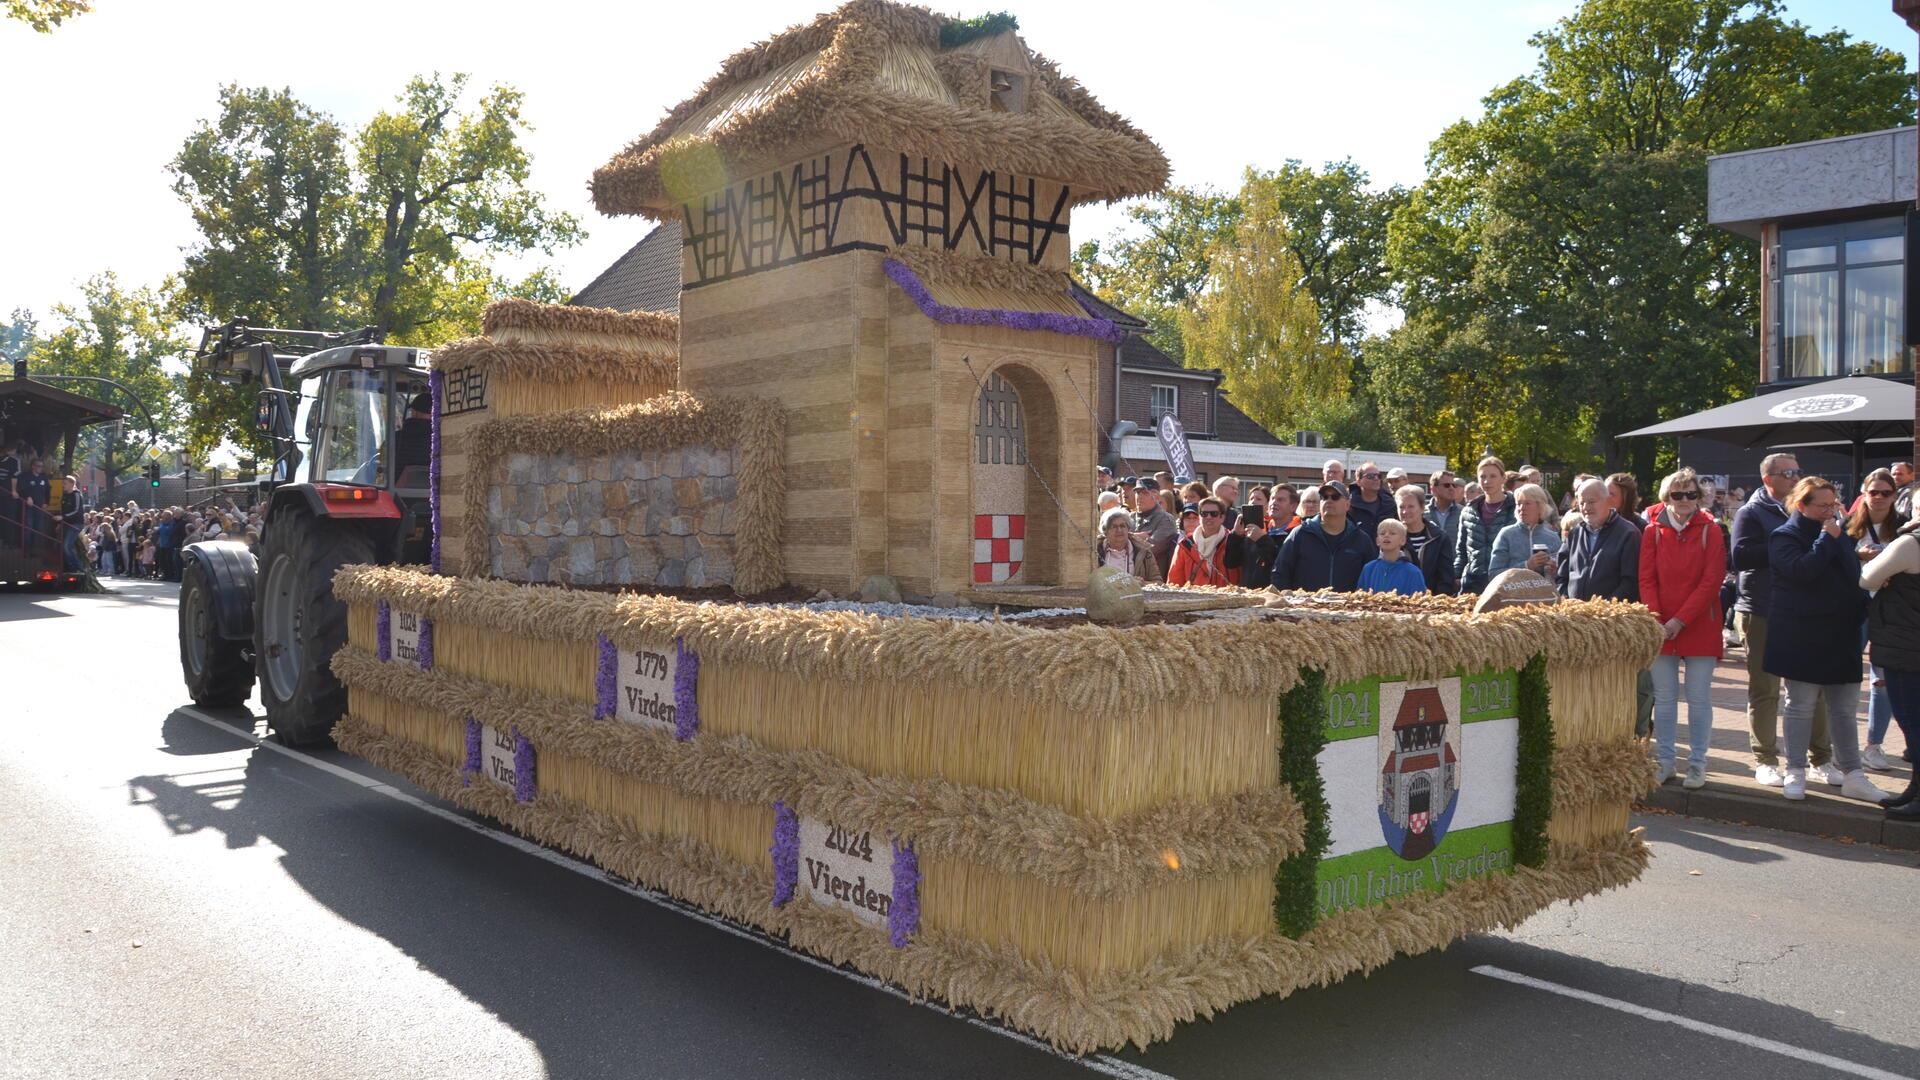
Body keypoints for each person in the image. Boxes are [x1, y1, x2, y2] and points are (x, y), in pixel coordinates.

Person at [1766, 476, 1887, 804]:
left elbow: (1853, 580)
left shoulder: (1841, 535)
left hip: (1842, 635)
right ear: (1801, 505)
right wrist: (1825, 539)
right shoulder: (1785, 536)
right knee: (1800, 706)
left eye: (1833, 504)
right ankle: (1795, 770)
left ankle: (1853, 774)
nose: (1830, 511)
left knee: (1844, 710)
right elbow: (1802, 572)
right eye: (1822, 505)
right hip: (1802, 636)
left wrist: (1863, 614)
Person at [1730, 453, 1834, 788]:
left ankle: (1821, 758)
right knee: (1765, 690)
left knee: (1810, 689)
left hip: (1802, 610)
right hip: (1761, 609)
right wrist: (1784, 545)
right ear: (1768, 478)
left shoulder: (1806, 510)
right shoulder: (1751, 511)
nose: (1794, 476)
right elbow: (1740, 556)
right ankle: (1765, 759)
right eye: (1787, 472)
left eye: (1797, 471)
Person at [1640, 468, 1725, 789]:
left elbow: (1711, 581)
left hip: (1700, 624)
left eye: (1691, 494)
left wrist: (1680, 620)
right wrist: (1658, 618)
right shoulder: (1652, 531)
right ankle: (1665, 761)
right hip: (1662, 626)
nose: (1685, 500)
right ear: (1666, 497)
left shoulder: (1711, 530)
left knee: (1699, 698)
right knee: (1664, 698)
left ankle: (1698, 763)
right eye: (1678, 495)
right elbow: (1646, 578)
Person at [1860, 520, 1920, 817]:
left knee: (1911, 721)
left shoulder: (1910, 543)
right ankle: (1915, 789)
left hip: (1905, 645)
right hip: (1908, 643)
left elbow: (1868, 578)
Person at [1848, 469, 1906, 771]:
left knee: (1881, 681)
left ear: (1895, 495)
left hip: (1889, 611)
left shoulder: (1904, 527)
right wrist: (1859, 558)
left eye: (1886, 492)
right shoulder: (1849, 526)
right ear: (1864, 493)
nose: (1880, 498)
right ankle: (1841, 744)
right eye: (1874, 492)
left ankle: (1874, 745)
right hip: (1854, 609)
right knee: (1843, 675)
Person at [1274, 481, 1376, 592]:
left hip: (1347, 607)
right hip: (1305, 607)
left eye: (1335, 497)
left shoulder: (1361, 539)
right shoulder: (1300, 534)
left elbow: (1372, 578)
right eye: (1324, 497)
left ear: (1347, 504)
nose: (1329, 500)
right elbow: (1280, 573)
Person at [1556, 477, 1639, 603]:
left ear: (1607, 501)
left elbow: (1630, 581)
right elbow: (1562, 575)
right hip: (1574, 615)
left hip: (1611, 616)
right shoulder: (1575, 533)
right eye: (1582, 502)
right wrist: (1566, 601)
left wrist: (1603, 608)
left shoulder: (1628, 533)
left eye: (1591, 502)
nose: (1586, 507)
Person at [1455, 455, 1515, 595]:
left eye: (1493, 476)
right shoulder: (1468, 511)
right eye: (1483, 477)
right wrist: (1456, 576)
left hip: (1505, 581)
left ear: (1503, 478)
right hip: (1473, 582)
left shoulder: (1515, 509)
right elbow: (1461, 550)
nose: (1487, 481)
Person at [1489, 483, 1561, 577]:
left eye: (1527, 503)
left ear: (1540, 506)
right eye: (1518, 504)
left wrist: (1555, 571)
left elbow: (1563, 577)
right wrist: (1527, 565)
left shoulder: (1553, 537)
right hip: (1513, 591)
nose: (1521, 508)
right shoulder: (1506, 534)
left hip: (1544, 591)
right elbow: (1494, 574)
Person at [1396, 484, 1455, 594]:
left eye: (1411, 506)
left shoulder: (1439, 538)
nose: (1405, 511)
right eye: (1401, 507)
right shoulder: (1392, 537)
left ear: (1422, 508)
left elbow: (1446, 577)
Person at [1169, 497, 1238, 587]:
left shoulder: (1233, 541)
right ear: (1199, 517)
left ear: (1222, 517)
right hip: (1194, 598)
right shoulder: (1185, 544)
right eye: (1204, 514)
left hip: (1227, 598)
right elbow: (1174, 581)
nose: (1208, 517)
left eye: (1214, 514)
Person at [1243, 484, 1298, 589]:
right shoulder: (1258, 528)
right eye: (1272, 499)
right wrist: (1235, 535)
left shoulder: (1299, 533)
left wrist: (1262, 540)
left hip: (1279, 598)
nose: (1274, 503)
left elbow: (1280, 565)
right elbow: (1232, 562)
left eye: (1280, 500)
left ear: (1293, 506)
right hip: (1252, 597)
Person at [1359, 518, 1426, 596]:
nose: (1386, 535)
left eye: (1392, 533)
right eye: (1382, 533)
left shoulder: (1413, 572)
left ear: (1403, 540)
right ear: (1377, 541)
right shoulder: (1369, 569)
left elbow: (1419, 603)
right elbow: (1360, 598)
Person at [1094, 506, 1163, 582]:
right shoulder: (1094, 552)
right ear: (1105, 531)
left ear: (1128, 529)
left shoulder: (1143, 551)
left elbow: (1157, 581)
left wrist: (1142, 584)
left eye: (1122, 526)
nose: (1119, 530)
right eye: (1114, 527)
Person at [1132, 477, 1178, 578]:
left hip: (1152, 579)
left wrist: (1126, 539)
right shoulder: (1128, 517)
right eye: (1137, 493)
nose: (1139, 497)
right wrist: (1134, 537)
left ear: (1156, 496)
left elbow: (1151, 549)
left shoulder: (1166, 519)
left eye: (1144, 493)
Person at [1347, 462, 1395, 537]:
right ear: (1359, 482)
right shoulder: (1348, 505)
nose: (1376, 479)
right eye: (1370, 476)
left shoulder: (1390, 504)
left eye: (1378, 476)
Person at [1426, 469, 1463, 543]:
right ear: (1433, 489)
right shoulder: (1422, 513)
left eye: (1454, 485)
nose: (1451, 488)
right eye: (1447, 485)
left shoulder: (1463, 513)